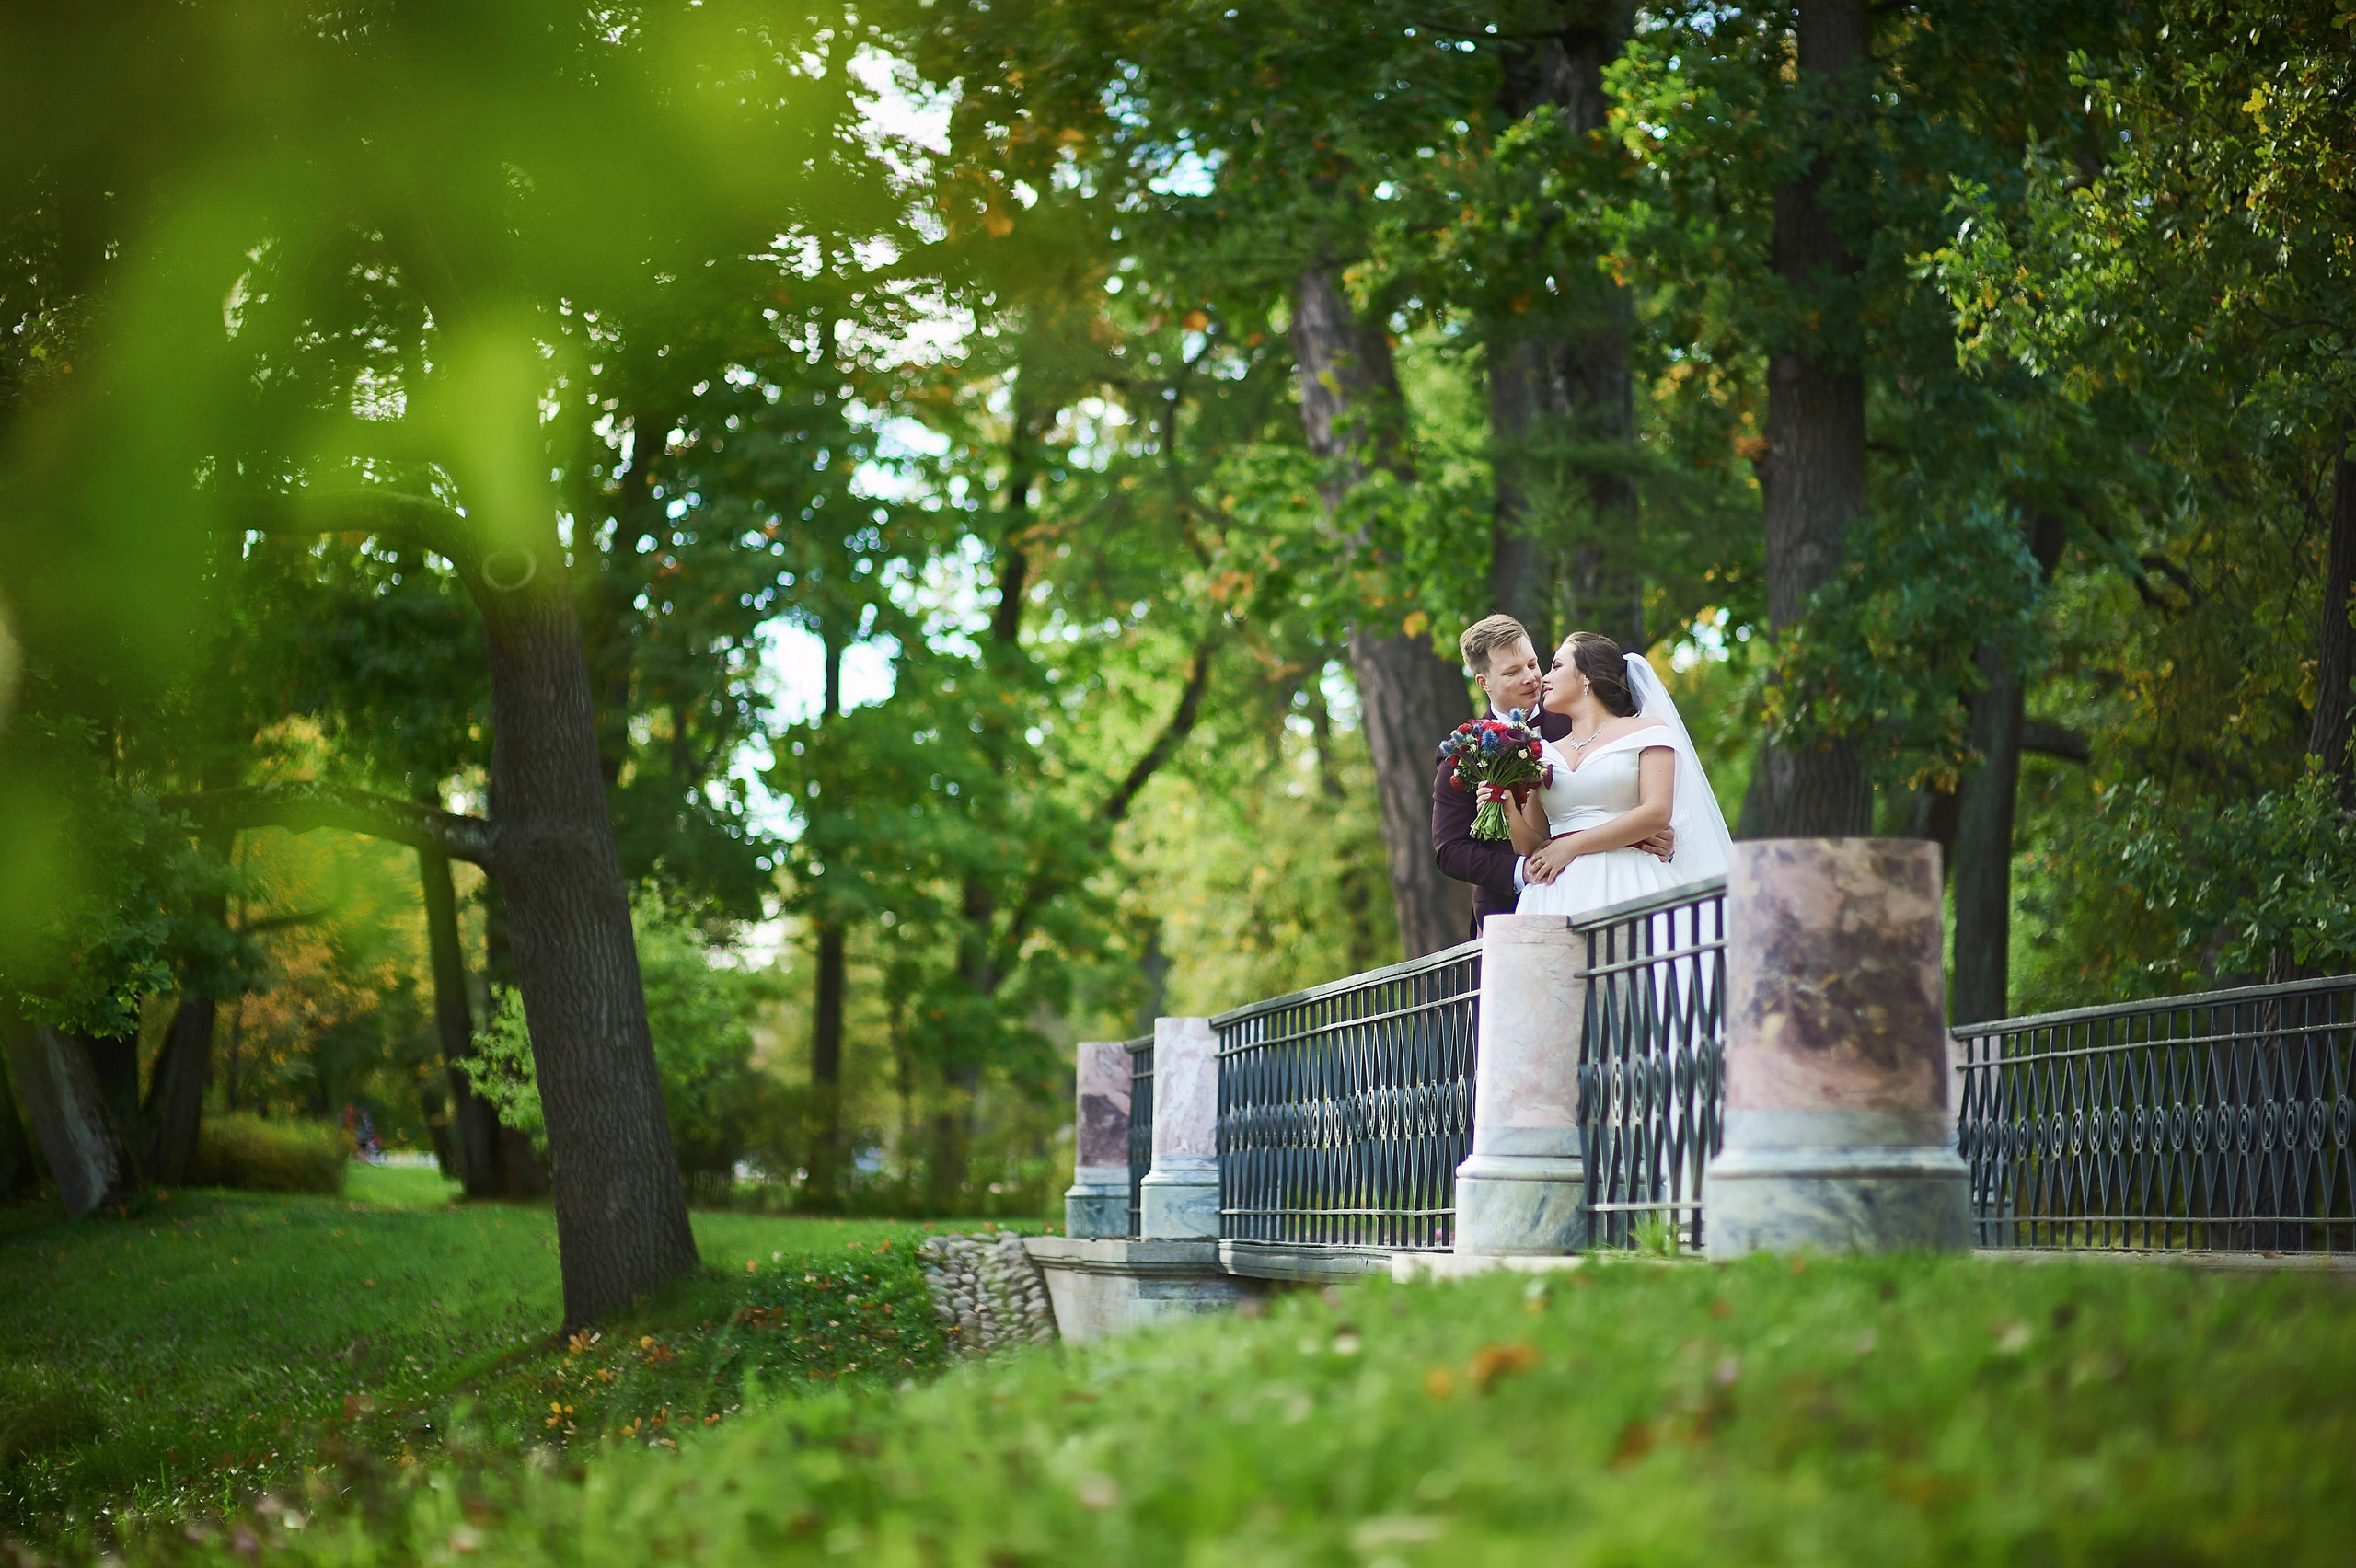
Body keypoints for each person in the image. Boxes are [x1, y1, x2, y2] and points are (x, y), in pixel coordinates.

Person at [1432, 615, 1673, 936]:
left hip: (1620, 883)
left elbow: (1638, 799)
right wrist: (1525, 870)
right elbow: (1449, 849)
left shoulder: (1582, 719)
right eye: (1512, 672)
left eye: (1532, 664)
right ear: (1483, 682)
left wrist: (1662, 841)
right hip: (1514, 907)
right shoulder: (1466, 750)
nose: (1531, 678)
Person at [1508, 630, 1731, 917]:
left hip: (1630, 881)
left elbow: (1657, 812)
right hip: (1558, 895)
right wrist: (1507, 808)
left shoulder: (1648, 731)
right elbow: (1535, 843)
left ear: (1587, 675)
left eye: (1557, 666)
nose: (1544, 679)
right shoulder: (1541, 752)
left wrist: (1571, 846)